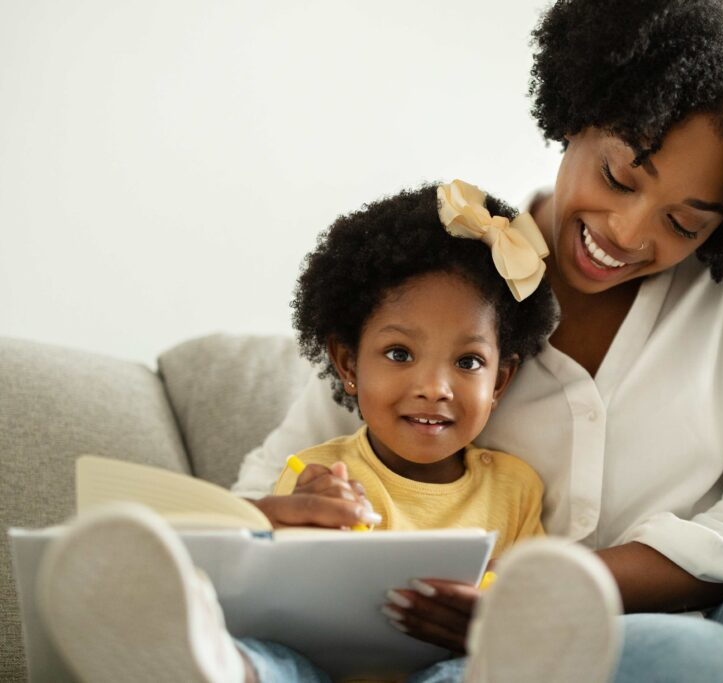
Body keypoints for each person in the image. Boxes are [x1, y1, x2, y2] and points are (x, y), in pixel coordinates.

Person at [233, 1, 723, 681]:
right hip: (508, 646)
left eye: (686, 221)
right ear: (580, 114)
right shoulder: (445, 277)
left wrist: (556, 581)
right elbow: (275, 483)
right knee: (698, 665)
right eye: (618, 176)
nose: (626, 232)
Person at [37, 183, 625, 683]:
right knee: (276, 662)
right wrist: (281, 515)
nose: (434, 387)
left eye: (468, 363)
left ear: (501, 380)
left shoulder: (517, 490)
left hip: (447, 667)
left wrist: (497, 613)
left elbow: (520, 602)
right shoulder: (317, 473)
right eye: (399, 353)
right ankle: (203, 659)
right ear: (347, 365)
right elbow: (260, 571)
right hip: (320, 670)